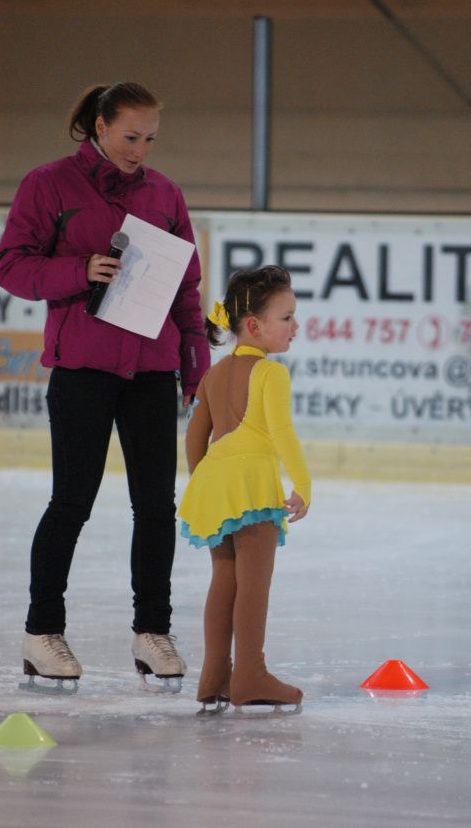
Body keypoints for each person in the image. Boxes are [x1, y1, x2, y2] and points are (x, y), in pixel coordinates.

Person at [0, 82, 210, 692]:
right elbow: (11, 265)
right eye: (129, 136)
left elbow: (186, 289)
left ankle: (152, 632)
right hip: (83, 369)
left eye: (149, 139)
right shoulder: (50, 185)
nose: (140, 149)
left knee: (156, 506)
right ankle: (42, 633)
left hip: (150, 370)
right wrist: (78, 271)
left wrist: (194, 366)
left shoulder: (165, 194)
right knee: (72, 502)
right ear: (99, 124)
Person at [178, 265, 311, 712]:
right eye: (287, 318)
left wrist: (208, 482)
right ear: (254, 325)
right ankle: (250, 675)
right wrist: (304, 484)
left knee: (225, 579)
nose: (296, 327)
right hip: (253, 488)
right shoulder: (271, 374)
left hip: (216, 487)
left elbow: (195, 437)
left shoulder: (214, 374)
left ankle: (214, 677)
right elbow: (283, 434)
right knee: (254, 584)